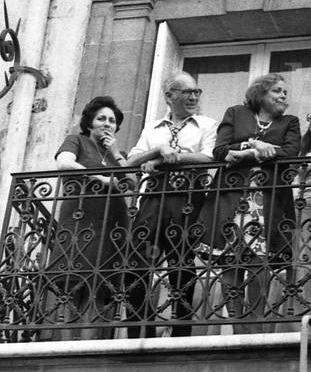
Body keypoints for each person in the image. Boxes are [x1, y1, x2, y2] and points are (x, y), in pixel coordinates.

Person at [195, 73, 301, 329]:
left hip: (267, 205)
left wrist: (248, 153)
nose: (283, 95)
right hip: (231, 203)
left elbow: (289, 153)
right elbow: (220, 151)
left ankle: (254, 333)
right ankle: (237, 333)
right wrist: (252, 146)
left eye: (285, 92)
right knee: (230, 273)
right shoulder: (236, 113)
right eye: (277, 90)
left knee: (258, 271)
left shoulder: (290, 122)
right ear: (261, 93)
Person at [126, 72, 217, 337]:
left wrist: (168, 159)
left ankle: (180, 330)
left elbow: (210, 158)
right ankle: (139, 329)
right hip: (153, 198)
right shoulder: (152, 128)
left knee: (182, 263)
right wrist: (157, 150)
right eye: (186, 92)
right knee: (138, 260)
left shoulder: (206, 124)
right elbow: (131, 161)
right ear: (169, 96)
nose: (193, 97)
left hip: (187, 198)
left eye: (196, 92)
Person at [46, 96, 133, 339]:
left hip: (112, 222)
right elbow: (64, 163)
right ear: (90, 122)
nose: (107, 124)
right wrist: (103, 178)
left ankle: (91, 341)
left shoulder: (117, 153)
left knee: (103, 284)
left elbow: (131, 181)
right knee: (72, 279)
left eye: (112, 120)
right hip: (81, 219)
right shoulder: (78, 141)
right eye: (101, 118)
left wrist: (115, 152)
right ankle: (63, 343)